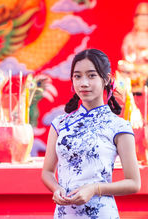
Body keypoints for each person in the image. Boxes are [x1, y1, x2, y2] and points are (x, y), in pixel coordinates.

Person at [42, 48, 141, 218]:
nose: (83, 83)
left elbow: (134, 183)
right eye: (77, 76)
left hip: (101, 212)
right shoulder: (60, 124)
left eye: (91, 75)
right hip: (65, 213)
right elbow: (47, 172)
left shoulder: (118, 126)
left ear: (106, 79)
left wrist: (95, 189)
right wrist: (56, 189)